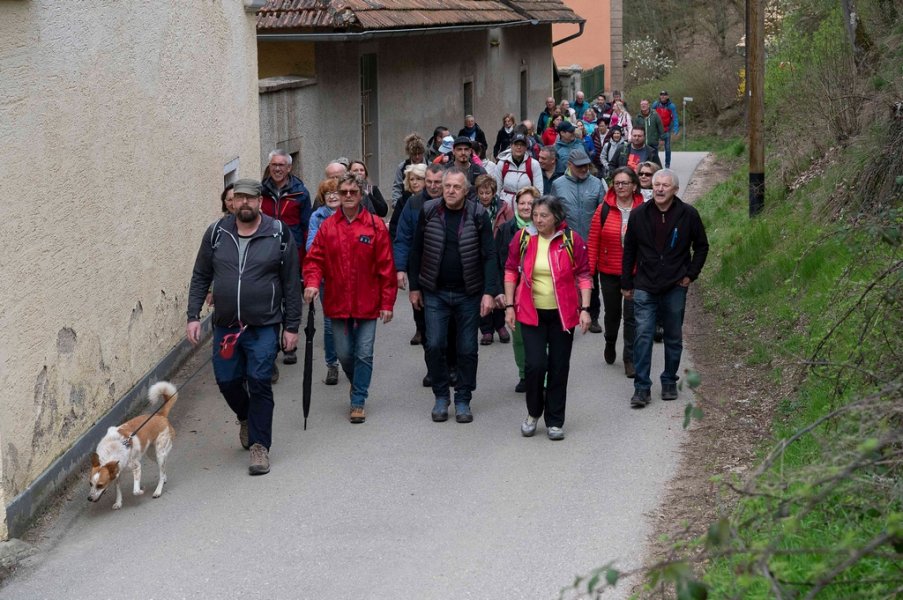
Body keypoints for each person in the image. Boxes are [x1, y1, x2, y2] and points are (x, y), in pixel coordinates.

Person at [186, 178, 301, 476]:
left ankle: (260, 446)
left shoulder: (278, 233)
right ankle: (246, 416)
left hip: (263, 325)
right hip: (226, 326)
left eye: (250, 198)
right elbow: (200, 275)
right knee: (227, 380)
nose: (245, 203)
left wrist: (291, 326)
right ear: (233, 202)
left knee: (259, 379)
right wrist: (193, 316)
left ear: (260, 201)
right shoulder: (216, 233)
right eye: (240, 198)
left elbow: (291, 283)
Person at [303, 172, 396, 424]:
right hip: (337, 301)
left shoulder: (375, 226)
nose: (347, 196)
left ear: (361, 194)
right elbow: (314, 260)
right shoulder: (328, 226)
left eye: (353, 192)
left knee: (364, 352)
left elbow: (386, 267)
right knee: (344, 354)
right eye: (343, 192)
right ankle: (357, 382)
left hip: (368, 302)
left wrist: (387, 303)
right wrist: (312, 283)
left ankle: (358, 399)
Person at [408, 168, 499, 424]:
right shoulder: (429, 211)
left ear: (466, 191)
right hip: (435, 292)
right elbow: (416, 250)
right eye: (447, 186)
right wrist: (414, 287)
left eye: (456, 187)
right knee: (435, 344)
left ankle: (462, 398)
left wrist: (489, 293)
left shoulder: (478, 214)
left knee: (467, 348)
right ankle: (441, 396)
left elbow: (490, 255)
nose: (450, 190)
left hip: (468, 293)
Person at [504, 196, 591, 441]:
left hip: (563, 315)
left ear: (556, 217)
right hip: (531, 313)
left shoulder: (571, 240)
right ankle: (533, 412)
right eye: (535, 215)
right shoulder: (523, 238)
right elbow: (510, 270)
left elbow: (584, 274)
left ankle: (555, 421)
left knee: (558, 367)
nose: (538, 220)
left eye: (544, 215)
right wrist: (509, 306)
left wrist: (585, 308)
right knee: (535, 365)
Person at [622, 169, 709, 408]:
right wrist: (626, 283)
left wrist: (690, 275)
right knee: (643, 335)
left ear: (675, 190)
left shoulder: (688, 214)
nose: (660, 189)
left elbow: (701, 246)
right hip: (645, 285)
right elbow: (629, 250)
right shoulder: (639, 214)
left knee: (673, 336)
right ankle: (641, 387)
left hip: (675, 285)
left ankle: (669, 380)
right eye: (656, 184)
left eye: (665, 185)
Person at [394, 164, 458, 386]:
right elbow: (402, 238)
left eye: (437, 182)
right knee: (424, 325)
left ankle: (451, 365)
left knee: (450, 326)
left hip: (449, 277)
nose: (432, 186)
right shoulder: (413, 204)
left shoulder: (456, 202)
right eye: (428, 181)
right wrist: (400, 269)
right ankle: (433, 368)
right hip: (421, 275)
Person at [587, 167, 644, 379]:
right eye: (617, 183)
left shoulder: (644, 209)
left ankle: (629, 358)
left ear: (634, 186)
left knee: (632, 316)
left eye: (624, 183)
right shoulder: (603, 209)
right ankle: (610, 341)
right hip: (609, 271)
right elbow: (593, 241)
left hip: (635, 272)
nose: (620, 186)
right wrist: (589, 273)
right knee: (612, 314)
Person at [260, 149, 311, 369]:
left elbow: (307, 227)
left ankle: (290, 345)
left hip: (293, 252)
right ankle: (271, 346)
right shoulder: (261, 192)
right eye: (274, 165)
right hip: (266, 252)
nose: (277, 169)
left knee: (291, 298)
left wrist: (307, 260)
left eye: (281, 165)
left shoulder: (300, 193)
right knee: (270, 299)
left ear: (289, 167)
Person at [551, 148, 608, 334]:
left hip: (591, 241)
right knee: (565, 279)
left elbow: (603, 212)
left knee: (591, 280)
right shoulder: (558, 184)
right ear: (569, 165)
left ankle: (593, 316)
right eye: (579, 166)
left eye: (586, 165)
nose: (584, 169)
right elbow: (554, 212)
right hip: (566, 240)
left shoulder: (596, 183)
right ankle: (568, 315)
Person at [495, 186, 539, 393]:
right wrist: (499, 291)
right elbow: (498, 261)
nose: (526, 207)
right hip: (515, 291)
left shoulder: (546, 229)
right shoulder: (506, 229)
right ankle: (524, 374)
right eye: (522, 203)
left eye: (531, 203)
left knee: (541, 337)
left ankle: (543, 377)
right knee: (519, 337)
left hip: (540, 292)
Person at [304, 179, 343, 386]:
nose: (333, 196)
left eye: (336, 192)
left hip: (349, 279)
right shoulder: (317, 217)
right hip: (327, 278)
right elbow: (311, 246)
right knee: (329, 324)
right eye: (328, 193)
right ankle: (332, 364)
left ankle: (351, 358)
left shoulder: (351, 215)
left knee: (352, 321)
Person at [474, 174, 512, 346]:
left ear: (494, 192)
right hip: (479, 254)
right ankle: (486, 329)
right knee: (483, 290)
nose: (484, 196)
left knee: (499, 288)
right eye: (481, 193)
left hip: (499, 252)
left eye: (487, 193)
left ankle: (500, 325)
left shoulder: (504, 208)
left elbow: (510, 228)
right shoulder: (472, 208)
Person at [494, 132, 543, 208]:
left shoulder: (534, 164)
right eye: (516, 144)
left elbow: (539, 191)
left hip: (526, 207)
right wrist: (497, 207)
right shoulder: (502, 164)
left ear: (526, 147)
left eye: (522, 145)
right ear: (511, 146)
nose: (519, 147)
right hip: (505, 207)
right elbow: (496, 189)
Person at [389, 163, 427, 240]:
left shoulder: (432, 199)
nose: (414, 182)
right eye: (411, 179)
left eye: (418, 179)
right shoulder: (402, 200)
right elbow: (394, 226)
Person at [391, 133, 426, 208]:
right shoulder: (402, 167)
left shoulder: (429, 166)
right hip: (405, 204)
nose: (417, 157)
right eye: (414, 154)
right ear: (409, 154)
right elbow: (397, 187)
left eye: (419, 153)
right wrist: (396, 204)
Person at [652, 90, 680, 168]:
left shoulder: (671, 106)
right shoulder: (656, 104)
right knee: (654, 147)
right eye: (661, 95)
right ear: (659, 96)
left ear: (667, 96)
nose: (663, 96)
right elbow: (651, 115)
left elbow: (675, 117)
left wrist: (676, 128)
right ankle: (655, 164)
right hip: (657, 130)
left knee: (667, 148)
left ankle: (667, 164)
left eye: (664, 95)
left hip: (666, 129)